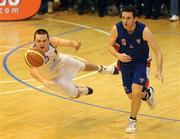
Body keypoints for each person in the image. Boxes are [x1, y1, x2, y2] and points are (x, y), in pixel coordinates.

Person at [108, 6, 163, 133]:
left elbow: (159, 52)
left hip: (141, 63)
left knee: (136, 90)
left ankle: (132, 120)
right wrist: (118, 55)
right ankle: (148, 94)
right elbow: (109, 45)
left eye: (128, 18)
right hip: (125, 64)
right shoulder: (116, 28)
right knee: (132, 96)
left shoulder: (144, 31)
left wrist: (159, 71)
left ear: (135, 19)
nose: (125, 21)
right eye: (123, 18)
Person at [27, 29, 118, 99]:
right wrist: (43, 81)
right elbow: (32, 71)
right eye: (39, 41)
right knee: (75, 95)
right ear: (34, 41)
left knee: (83, 65)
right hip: (53, 78)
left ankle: (102, 69)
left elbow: (63, 42)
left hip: (61, 63)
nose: (42, 43)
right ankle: (81, 90)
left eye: (44, 41)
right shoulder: (31, 54)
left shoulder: (53, 42)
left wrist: (73, 44)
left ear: (48, 40)